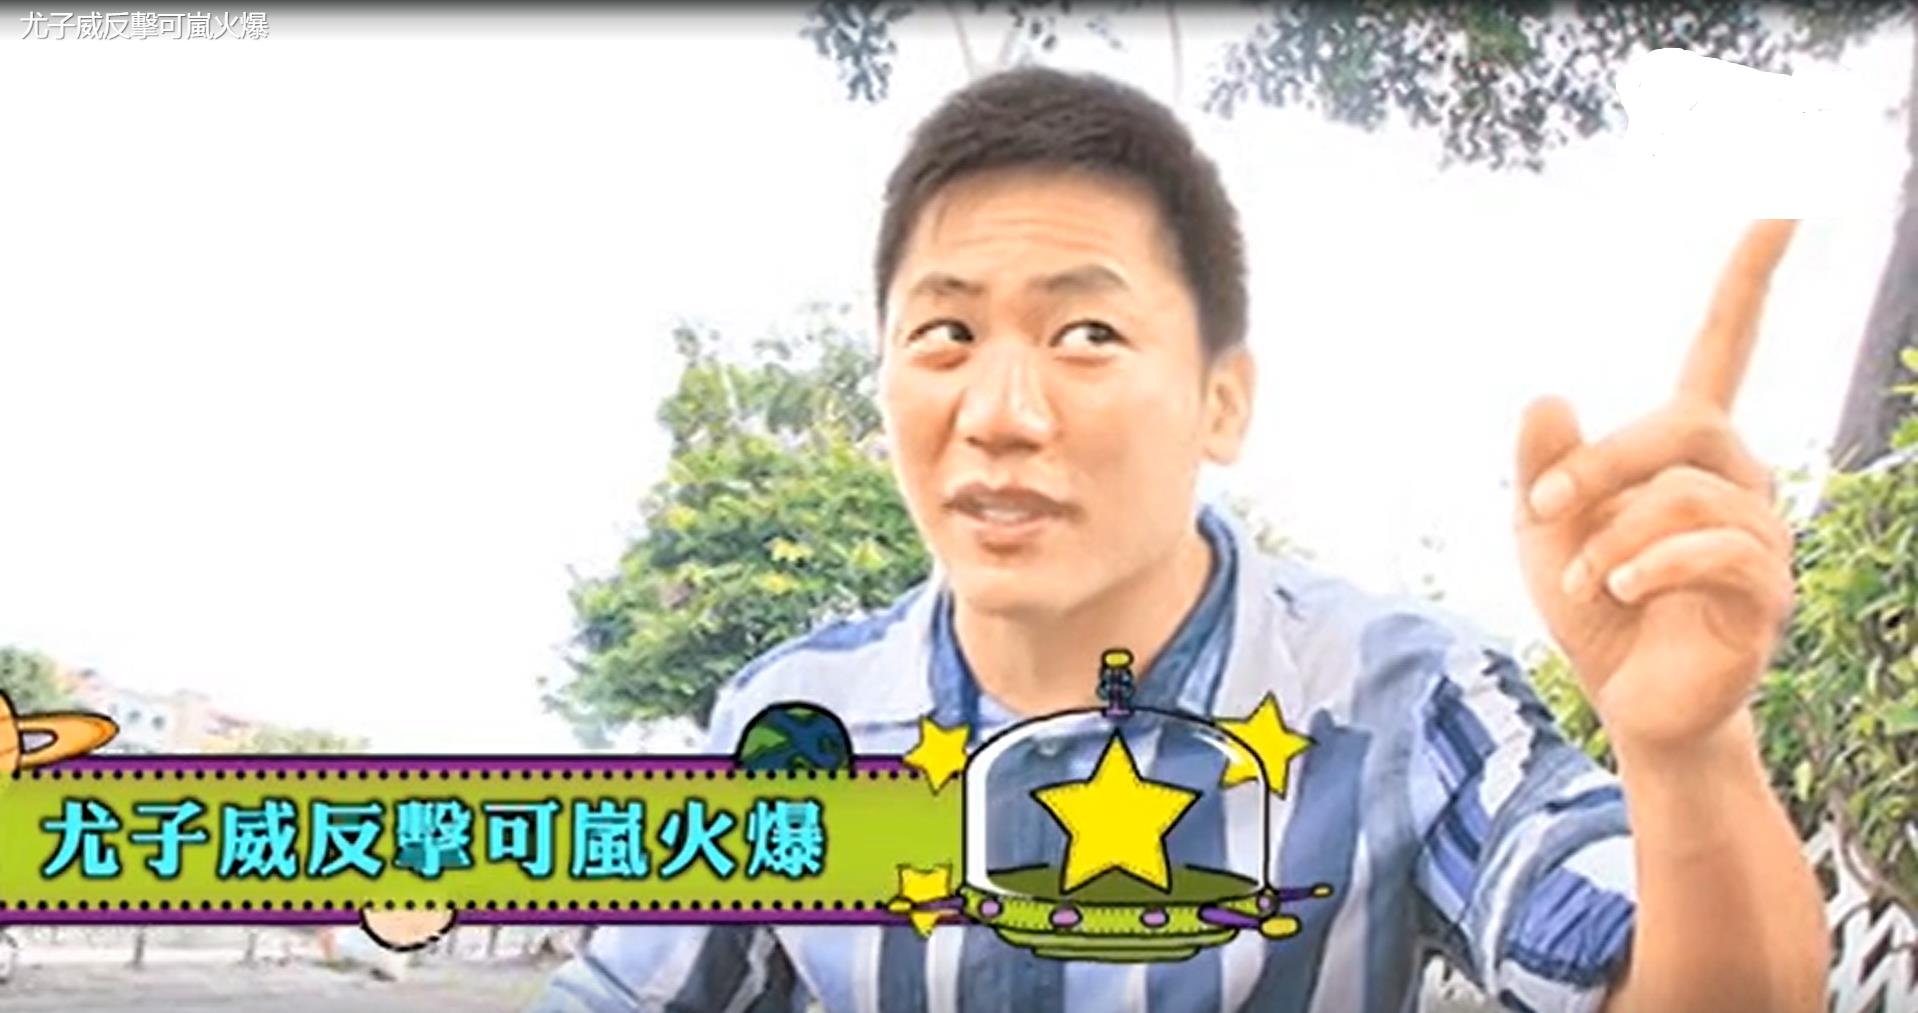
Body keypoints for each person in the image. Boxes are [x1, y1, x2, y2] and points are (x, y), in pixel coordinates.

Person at [529, 67, 1828, 1011]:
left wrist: (1686, 752)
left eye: (1087, 334)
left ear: (1223, 401)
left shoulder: (1395, 700)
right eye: (945, 334)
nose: (1001, 411)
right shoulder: (796, 721)